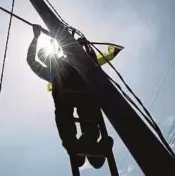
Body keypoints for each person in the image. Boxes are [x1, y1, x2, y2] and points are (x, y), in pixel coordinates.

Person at [26, 25, 121, 168]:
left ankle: (83, 147)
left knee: (75, 124)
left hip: (81, 98)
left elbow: (91, 62)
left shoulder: (69, 63)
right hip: (78, 98)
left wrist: (83, 46)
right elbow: (32, 61)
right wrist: (36, 38)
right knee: (72, 123)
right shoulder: (56, 70)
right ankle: (82, 147)